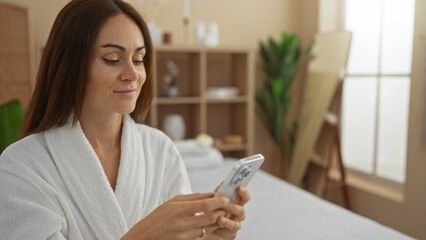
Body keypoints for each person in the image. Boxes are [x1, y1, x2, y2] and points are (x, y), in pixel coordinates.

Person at [0, 0, 250, 239]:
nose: (133, 74)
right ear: (71, 66)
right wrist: (146, 235)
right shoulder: (21, 167)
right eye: (112, 59)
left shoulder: (160, 150)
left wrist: (210, 236)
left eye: (139, 59)